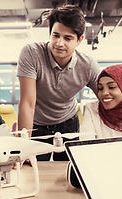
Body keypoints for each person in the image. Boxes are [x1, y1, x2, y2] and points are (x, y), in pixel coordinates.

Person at [17, 4, 101, 161]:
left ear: (79, 40)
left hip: (68, 124)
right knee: (32, 170)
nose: (59, 43)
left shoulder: (88, 65)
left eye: (67, 38)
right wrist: (24, 147)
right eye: (56, 35)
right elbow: (27, 104)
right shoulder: (31, 54)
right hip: (36, 125)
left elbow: (107, 100)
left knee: (68, 172)